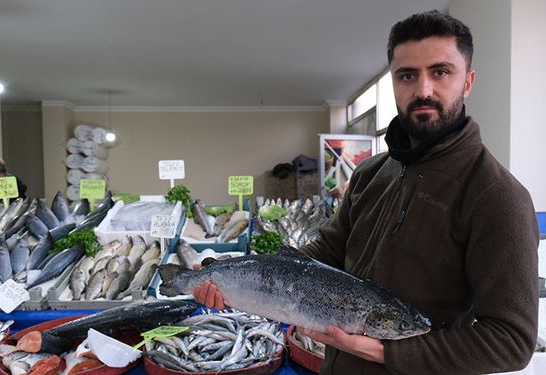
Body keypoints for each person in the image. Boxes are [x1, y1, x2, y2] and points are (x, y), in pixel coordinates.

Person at [193, 10, 540, 375]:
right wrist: (238, 279)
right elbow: (327, 253)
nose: (423, 90)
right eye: (407, 75)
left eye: (440, 72)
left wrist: (386, 353)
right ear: (394, 82)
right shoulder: (371, 172)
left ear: (467, 82)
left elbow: (511, 341)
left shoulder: (497, 197)